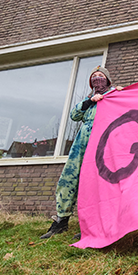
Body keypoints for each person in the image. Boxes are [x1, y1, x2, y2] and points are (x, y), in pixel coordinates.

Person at [41, 66, 122, 239]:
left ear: (108, 80)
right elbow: (74, 115)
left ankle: (91, 224)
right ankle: (61, 221)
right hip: (81, 144)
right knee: (68, 179)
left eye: (101, 76)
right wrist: (91, 101)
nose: (97, 79)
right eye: (94, 76)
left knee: (93, 183)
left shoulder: (115, 94)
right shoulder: (88, 100)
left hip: (102, 143)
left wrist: (120, 93)